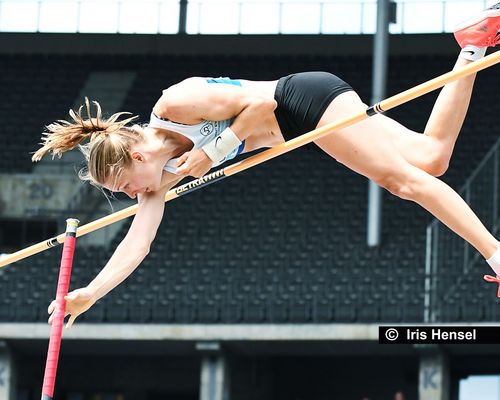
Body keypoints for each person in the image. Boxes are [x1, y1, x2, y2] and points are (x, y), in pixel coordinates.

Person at [32, 4, 500, 327]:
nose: (132, 195)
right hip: (298, 124)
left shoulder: (178, 102)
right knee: (430, 158)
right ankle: (474, 43)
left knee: (403, 182)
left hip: (303, 99)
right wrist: (90, 293)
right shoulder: (162, 177)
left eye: (125, 186)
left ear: (136, 156)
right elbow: (138, 244)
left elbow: (262, 103)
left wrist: (213, 152)